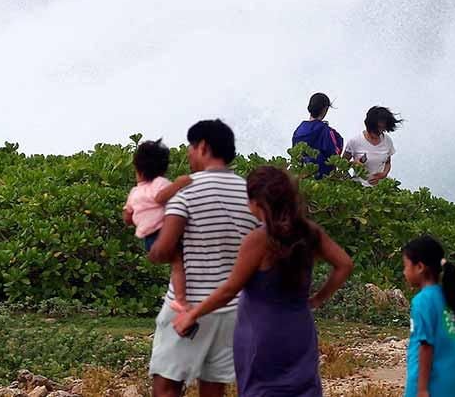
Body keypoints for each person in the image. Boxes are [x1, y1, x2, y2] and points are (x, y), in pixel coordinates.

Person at [172, 166, 354, 397]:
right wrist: (318, 298)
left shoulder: (258, 240)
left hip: (262, 334)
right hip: (300, 330)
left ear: (257, 203)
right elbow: (345, 264)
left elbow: (230, 290)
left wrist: (192, 313)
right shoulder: (309, 231)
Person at [147, 119, 257, 397]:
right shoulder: (249, 194)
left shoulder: (185, 190)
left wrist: (147, 236)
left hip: (186, 309)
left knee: (167, 385)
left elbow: (162, 251)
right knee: (213, 388)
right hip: (232, 309)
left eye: (191, 147)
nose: (188, 154)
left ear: (204, 146)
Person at [402, 235, 455, 397]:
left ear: (420, 267)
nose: (404, 272)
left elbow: (426, 346)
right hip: (453, 381)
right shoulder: (450, 296)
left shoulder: (422, 301)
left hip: (430, 383)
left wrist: (421, 389)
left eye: (406, 266)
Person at [124, 138, 192, 312]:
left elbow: (127, 217)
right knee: (178, 264)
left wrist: (139, 216)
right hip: (163, 234)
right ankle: (181, 299)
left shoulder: (134, 192)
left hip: (148, 239)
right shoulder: (160, 183)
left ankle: (177, 297)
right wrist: (180, 183)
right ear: (163, 168)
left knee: (174, 265)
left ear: (137, 170)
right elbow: (160, 197)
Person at [344, 106, 402, 185]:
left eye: (382, 129)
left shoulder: (387, 140)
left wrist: (383, 175)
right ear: (369, 126)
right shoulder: (354, 141)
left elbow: (387, 163)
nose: (379, 133)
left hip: (380, 189)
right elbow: (342, 164)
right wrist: (353, 164)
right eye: (376, 130)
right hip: (358, 188)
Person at [292, 93, 343, 179]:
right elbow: (335, 154)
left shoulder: (299, 130)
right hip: (323, 180)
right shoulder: (326, 131)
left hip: (303, 178)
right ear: (325, 110)